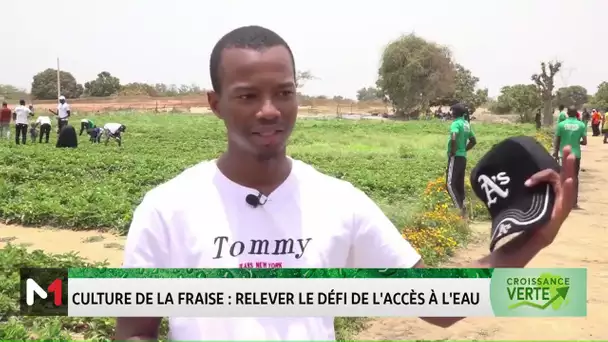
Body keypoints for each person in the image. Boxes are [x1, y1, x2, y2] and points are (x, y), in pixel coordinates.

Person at [114, 25, 576, 341]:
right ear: (216, 103)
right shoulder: (167, 209)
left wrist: (532, 240)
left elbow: (441, 306)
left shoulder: (339, 203)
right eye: (247, 95)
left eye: (284, 93)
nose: (270, 110)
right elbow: (136, 330)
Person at [446, 103, 476, 218]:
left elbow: (454, 135)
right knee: (459, 184)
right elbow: (473, 141)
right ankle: (463, 209)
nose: (451, 113)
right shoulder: (466, 124)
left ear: (455, 113)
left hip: (455, 157)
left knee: (449, 184)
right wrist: (463, 150)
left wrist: (454, 150)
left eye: (452, 111)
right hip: (462, 157)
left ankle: (459, 210)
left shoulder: (456, 123)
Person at [554, 106, 586, 210]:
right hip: (575, 154)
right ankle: (574, 203)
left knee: (563, 177)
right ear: (577, 113)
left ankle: (562, 200)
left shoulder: (561, 125)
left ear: (567, 113)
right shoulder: (581, 125)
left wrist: (555, 152)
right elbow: (585, 142)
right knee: (574, 177)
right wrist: (577, 142)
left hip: (563, 154)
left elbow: (557, 140)